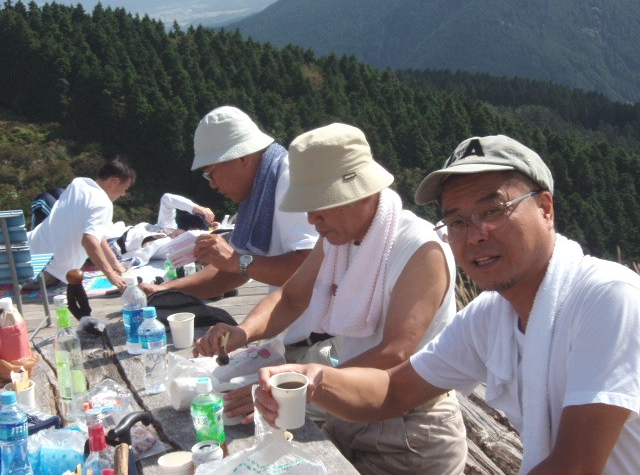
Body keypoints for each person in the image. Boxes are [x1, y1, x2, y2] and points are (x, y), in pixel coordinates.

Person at [256, 135, 640, 474]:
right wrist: (313, 380)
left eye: (492, 211)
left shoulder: (607, 298)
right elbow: (393, 390)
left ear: (545, 208)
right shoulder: (489, 318)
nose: (474, 236)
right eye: (457, 222)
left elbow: (576, 467)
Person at [197, 123, 467, 474]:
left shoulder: (419, 249)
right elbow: (291, 297)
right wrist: (243, 332)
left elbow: (395, 354)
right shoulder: (339, 238)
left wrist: (296, 388)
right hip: (351, 408)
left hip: (412, 430)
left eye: (320, 205)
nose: (311, 219)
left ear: (361, 193)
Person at [139, 106, 318, 301]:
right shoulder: (260, 188)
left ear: (242, 157)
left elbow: (312, 268)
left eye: (211, 173)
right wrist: (166, 290)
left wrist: (237, 261)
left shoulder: (289, 180)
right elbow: (233, 271)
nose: (212, 184)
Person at [27, 156, 136, 291]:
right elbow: (89, 240)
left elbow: (96, 234)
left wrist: (114, 262)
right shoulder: (103, 204)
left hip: (27, 256)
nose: (123, 194)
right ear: (115, 182)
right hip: (46, 271)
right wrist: (111, 275)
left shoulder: (78, 184)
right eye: (125, 188)